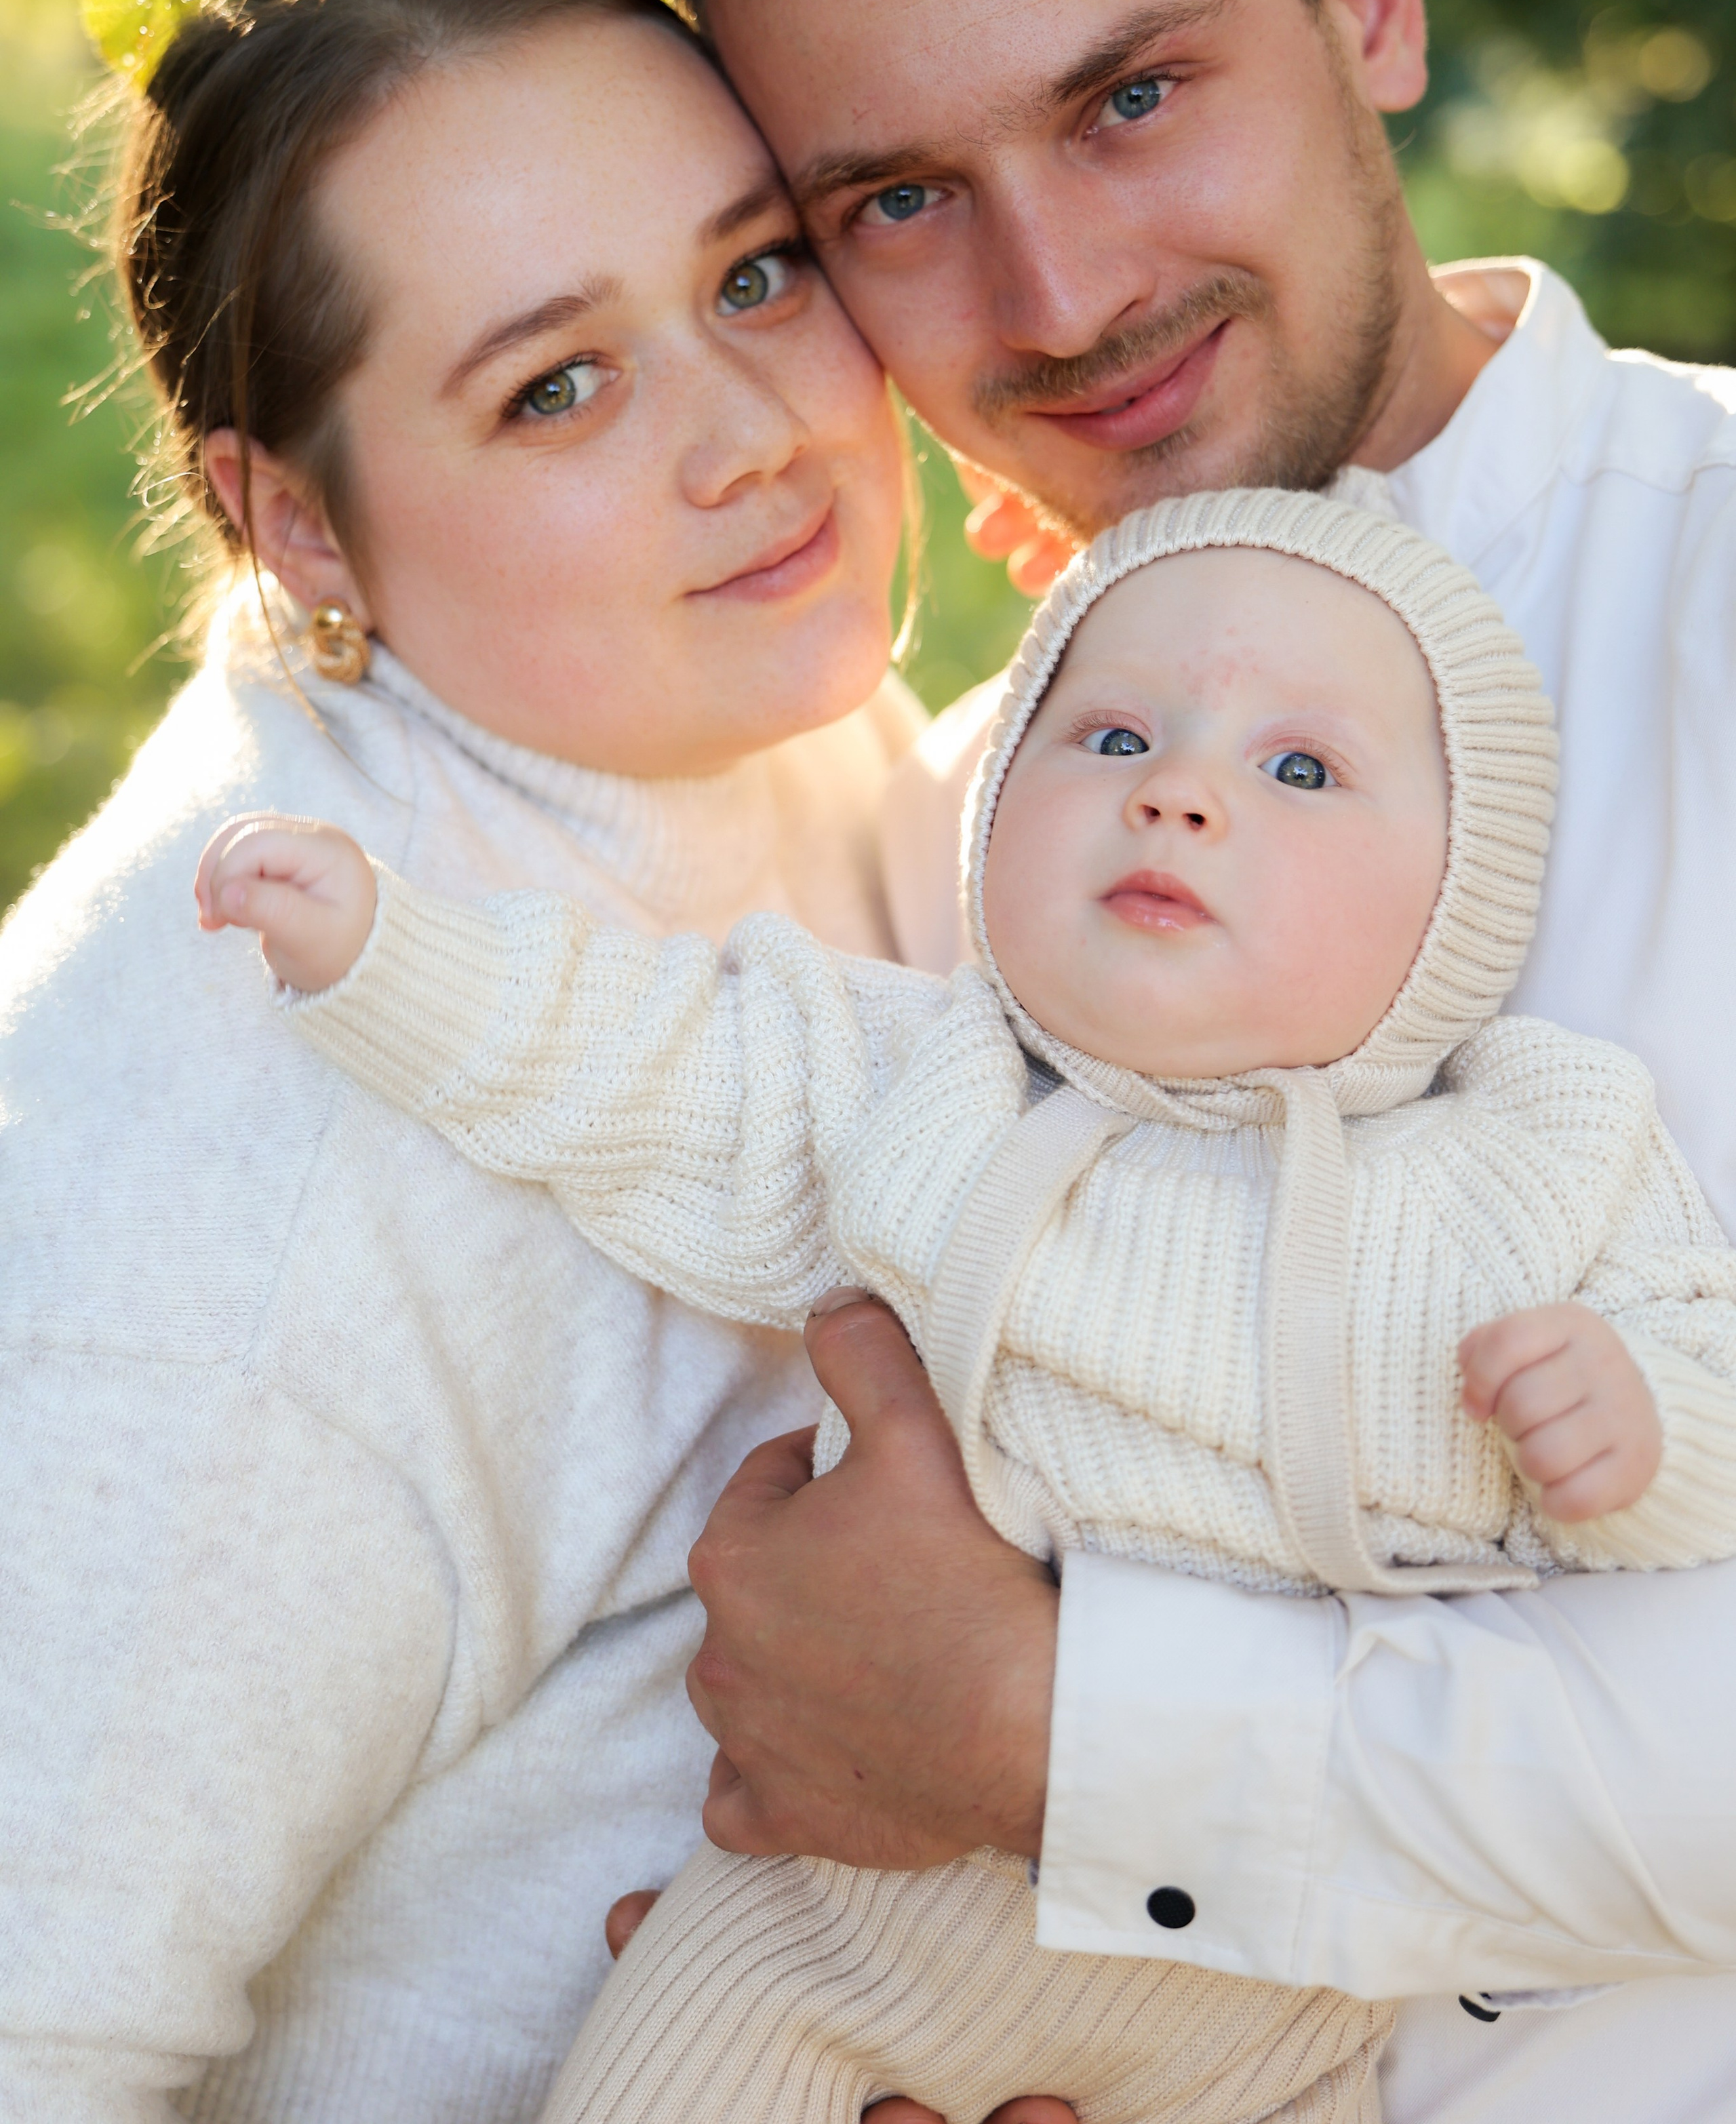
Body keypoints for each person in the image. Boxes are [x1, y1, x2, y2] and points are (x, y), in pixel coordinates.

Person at [637, 0, 1736, 2122]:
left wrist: (1054, 1742)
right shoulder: (927, 861)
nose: (1063, 289)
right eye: (896, 198)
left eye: (1132, 93)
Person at [204, 489, 1736, 2124]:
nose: (1178, 796)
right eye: (1111, 735)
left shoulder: (1524, 1156)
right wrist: (384, 949)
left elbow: (1692, 1389)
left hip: (1276, 2019)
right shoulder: (914, 1082)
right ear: (999, 795)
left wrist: (1633, 1429)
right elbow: (639, 1055)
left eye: (1298, 771)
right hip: (823, 1936)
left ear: (1458, 902)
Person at [0, 0, 922, 2122]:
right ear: (292, 521)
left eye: (760, 270)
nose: (754, 438)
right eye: (555, 386)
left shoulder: (731, 708)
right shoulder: (240, 1203)